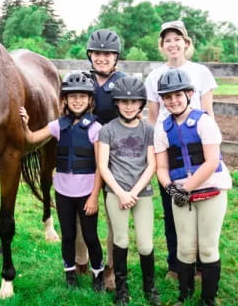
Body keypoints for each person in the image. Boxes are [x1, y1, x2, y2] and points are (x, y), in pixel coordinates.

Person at [144, 20, 217, 279]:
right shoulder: (154, 76)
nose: (173, 44)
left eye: (178, 39)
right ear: (162, 46)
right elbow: (153, 118)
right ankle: (175, 263)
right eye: (167, 40)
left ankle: (199, 263)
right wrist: (154, 151)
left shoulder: (201, 72)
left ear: (186, 43)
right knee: (173, 204)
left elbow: (208, 110)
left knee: (201, 203)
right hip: (169, 145)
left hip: (196, 144)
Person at [19, 72, 104, 290]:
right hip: (63, 193)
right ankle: (70, 275)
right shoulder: (58, 125)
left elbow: (101, 168)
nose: (77, 100)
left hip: (87, 195)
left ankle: (98, 274)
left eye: (82, 97)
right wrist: (26, 125)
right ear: (64, 100)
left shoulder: (96, 129)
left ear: (90, 100)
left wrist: (94, 196)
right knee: (67, 236)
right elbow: (31, 139)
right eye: (72, 96)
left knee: (90, 237)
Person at [154, 69, 231, 306]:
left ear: (189, 93)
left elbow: (211, 161)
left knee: (207, 248)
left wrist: (186, 187)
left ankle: (208, 299)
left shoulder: (204, 121)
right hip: (181, 193)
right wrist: (170, 188)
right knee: (185, 248)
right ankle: (184, 297)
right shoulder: (162, 128)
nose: (173, 100)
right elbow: (161, 167)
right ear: (163, 100)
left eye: (178, 94)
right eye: (167, 97)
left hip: (210, 189)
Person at [98, 76, 161, 306]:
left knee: (145, 243)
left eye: (134, 102)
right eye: (124, 101)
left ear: (141, 104)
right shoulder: (108, 130)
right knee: (121, 240)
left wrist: (133, 192)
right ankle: (122, 289)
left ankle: (149, 286)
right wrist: (121, 193)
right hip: (116, 193)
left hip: (141, 192)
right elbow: (103, 166)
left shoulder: (148, 130)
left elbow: (152, 164)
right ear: (116, 103)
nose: (129, 105)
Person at [75, 29, 127, 289]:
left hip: (114, 157)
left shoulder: (123, 82)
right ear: (90, 55)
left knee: (112, 212)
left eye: (107, 54)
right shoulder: (80, 80)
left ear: (115, 56)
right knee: (79, 210)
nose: (102, 58)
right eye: (97, 53)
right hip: (84, 155)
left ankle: (111, 267)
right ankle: (81, 260)